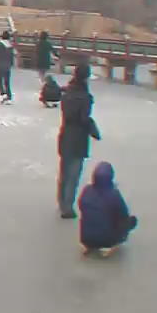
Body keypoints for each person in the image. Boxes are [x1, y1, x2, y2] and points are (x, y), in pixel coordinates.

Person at [58, 63, 100, 219]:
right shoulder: (85, 97)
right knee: (73, 175)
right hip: (78, 139)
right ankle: (67, 207)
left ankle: (61, 202)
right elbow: (83, 119)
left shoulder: (67, 93)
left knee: (64, 172)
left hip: (65, 135)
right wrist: (93, 129)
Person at [77, 161, 137, 255]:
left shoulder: (87, 190)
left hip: (86, 238)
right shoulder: (114, 194)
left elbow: (81, 206)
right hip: (107, 239)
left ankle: (90, 243)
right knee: (130, 220)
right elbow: (123, 214)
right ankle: (111, 242)